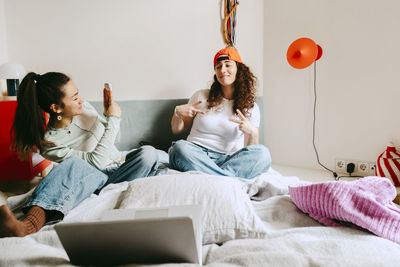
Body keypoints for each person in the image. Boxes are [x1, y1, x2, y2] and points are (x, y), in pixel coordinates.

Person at [0, 72, 158, 237]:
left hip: (120, 168)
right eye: (74, 98)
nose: (80, 100)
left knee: (149, 153)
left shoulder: (85, 108)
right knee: (73, 164)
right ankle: (27, 226)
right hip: (94, 179)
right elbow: (95, 163)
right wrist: (113, 120)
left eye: (78, 94)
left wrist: (106, 115)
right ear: (56, 108)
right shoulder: (51, 143)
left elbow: (114, 139)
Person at [169, 47, 271, 179]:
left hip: (227, 160)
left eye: (228, 65)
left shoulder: (251, 107)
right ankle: (227, 179)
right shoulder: (200, 96)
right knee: (179, 148)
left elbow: (250, 150)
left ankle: (217, 177)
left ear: (239, 69)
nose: (222, 70)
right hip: (195, 154)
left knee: (263, 154)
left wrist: (253, 133)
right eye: (218, 67)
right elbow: (177, 130)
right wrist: (177, 113)